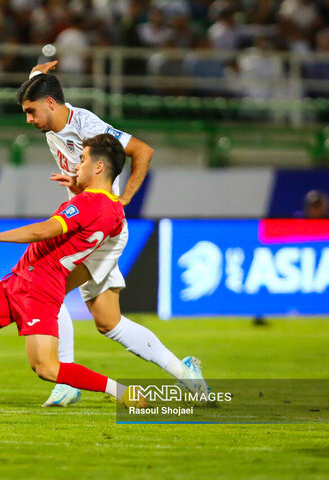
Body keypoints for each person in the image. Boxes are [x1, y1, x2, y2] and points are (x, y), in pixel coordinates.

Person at [0, 135, 147, 411]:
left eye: (82, 160)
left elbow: (43, 230)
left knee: (46, 368)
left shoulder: (89, 203)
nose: (77, 166)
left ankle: (121, 391)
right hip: (20, 279)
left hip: (40, 290)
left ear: (98, 167)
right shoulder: (113, 211)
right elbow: (97, 240)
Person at [20, 62, 207, 406]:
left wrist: (124, 198)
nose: (29, 120)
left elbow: (143, 151)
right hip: (87, 225)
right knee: (108, 321)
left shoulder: (86, 125)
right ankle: (185, 373)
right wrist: (35, 75)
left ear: (50, 104)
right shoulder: (49, 117)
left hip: (96, 228)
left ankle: (66, 377)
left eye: (32, 112)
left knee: (48, 287)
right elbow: (42, 92)